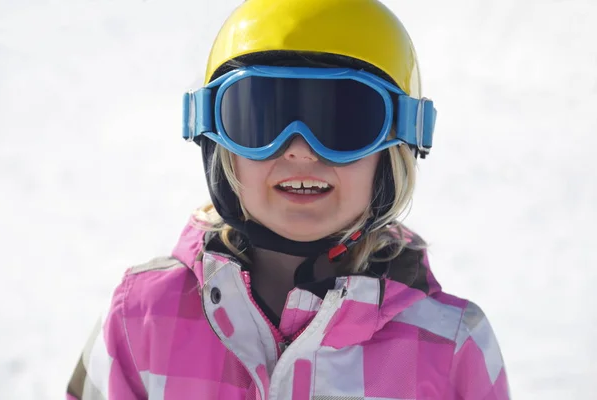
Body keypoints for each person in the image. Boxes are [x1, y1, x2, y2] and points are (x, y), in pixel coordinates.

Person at [66, 0, 510, 398]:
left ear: (393, 151)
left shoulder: (448, 347)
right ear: (219, 145)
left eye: (343, 120)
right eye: (262, 119)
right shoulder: (144, 318)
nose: (300, 148)